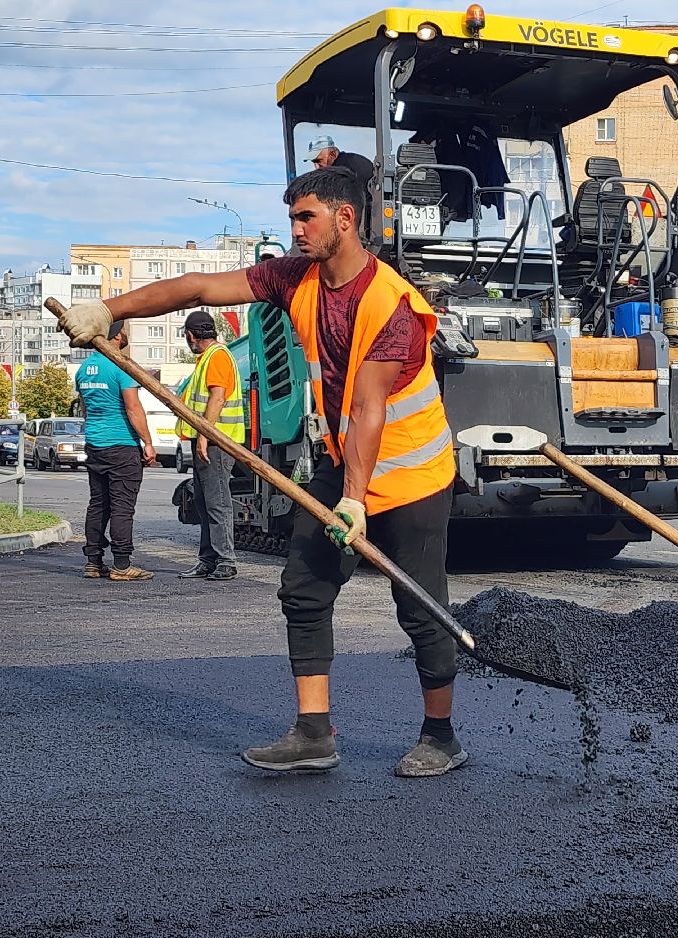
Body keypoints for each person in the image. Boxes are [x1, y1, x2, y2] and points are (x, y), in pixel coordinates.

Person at [58, 166, 463, 779]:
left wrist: (354, 502)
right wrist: (104, 309)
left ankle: (441, 736)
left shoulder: (393, 306)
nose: (296, 229)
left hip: (411, 474)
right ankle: (313, 733)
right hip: (341, 461)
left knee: (420, 604)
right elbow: (197, 288)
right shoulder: (294, 278)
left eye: (307, 217)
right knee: (304, 587)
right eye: (293, 217)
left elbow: (370, 407)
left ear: (344, 219)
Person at [74, 320, 157, 581]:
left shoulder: (84, 370)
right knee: (122, 506)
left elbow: (86, 408)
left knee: (98, 504)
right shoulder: (121, 367)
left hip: (95, 444)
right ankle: (122, 565)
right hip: (122, 445)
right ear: (118, 336)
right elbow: (133, 408)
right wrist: (148, 442)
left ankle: (93, 562)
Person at [175, 310, 243, 582]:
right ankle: (208, 559)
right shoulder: (209, 358)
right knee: (205, 502)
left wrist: (204, 434)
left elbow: (218, 398)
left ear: (190, 335)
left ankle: (225, 561)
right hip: (209, 441)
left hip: (216, 442)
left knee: (217, 503)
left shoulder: (216, 357)